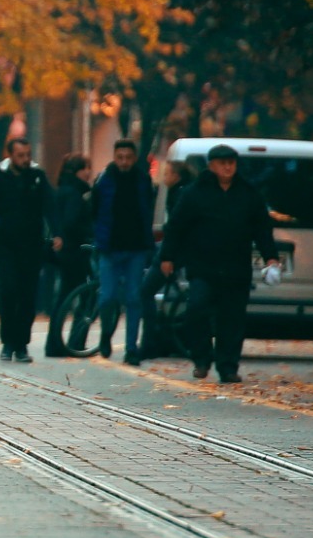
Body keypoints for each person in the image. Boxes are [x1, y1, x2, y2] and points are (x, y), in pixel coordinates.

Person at [160, 143, 283, 386]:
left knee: (232, 319)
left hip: (235, 268)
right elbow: (176, 227)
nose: (228, 167)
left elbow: (262, 228)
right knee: (196, 309)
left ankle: (228, 367)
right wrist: (167, 256)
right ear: (212, 166)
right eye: (222, 163)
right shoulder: (195, 193)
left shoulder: (248, 193)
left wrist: (271, 256)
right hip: (203, 267)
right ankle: (201, 358)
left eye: (231, 163)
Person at [0, 138, 51, 362]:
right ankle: (8, 341)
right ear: (10, 155)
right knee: (9, 290)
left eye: (27, 154)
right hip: (6, 245)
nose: (25, 159)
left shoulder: (37, 175)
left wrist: (56, 232)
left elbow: (49, 204)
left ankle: (22, 344)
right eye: (20, 155)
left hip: (32, 244)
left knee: (28, 293)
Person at [90, 140, 157, 364]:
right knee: (107, 297)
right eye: (120, 157)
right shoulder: (104, 179)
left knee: (133, 298)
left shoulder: (142, 180)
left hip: (136, 248)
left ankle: (131, 348)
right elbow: (94, 210)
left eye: (128, 157)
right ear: (114, 157)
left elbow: (148, 208)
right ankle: (106, 333)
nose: (124, 162)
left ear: (134, 157)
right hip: (110, 248)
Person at [44, 153, 93, 356]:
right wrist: (87, 232)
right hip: (75, 252)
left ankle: (55, 343)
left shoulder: (61, 190)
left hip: (64, 252)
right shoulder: (75, 194)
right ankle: (73, 341)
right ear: (77, 171)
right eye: (85, 168)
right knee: (81, 295)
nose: (89, 173)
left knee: (64, 297)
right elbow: (71, 222)